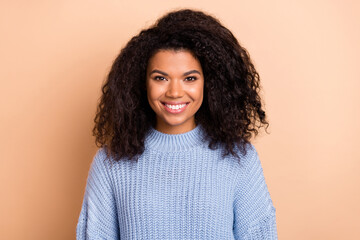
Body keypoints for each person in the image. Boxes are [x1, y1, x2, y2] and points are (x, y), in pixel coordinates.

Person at [76, 8, 278, 240]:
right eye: (160, 78)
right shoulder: (111, 162)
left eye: (189, 78)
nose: (174, 92)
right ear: (142, 83)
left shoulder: (239, 159)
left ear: (209, 83)